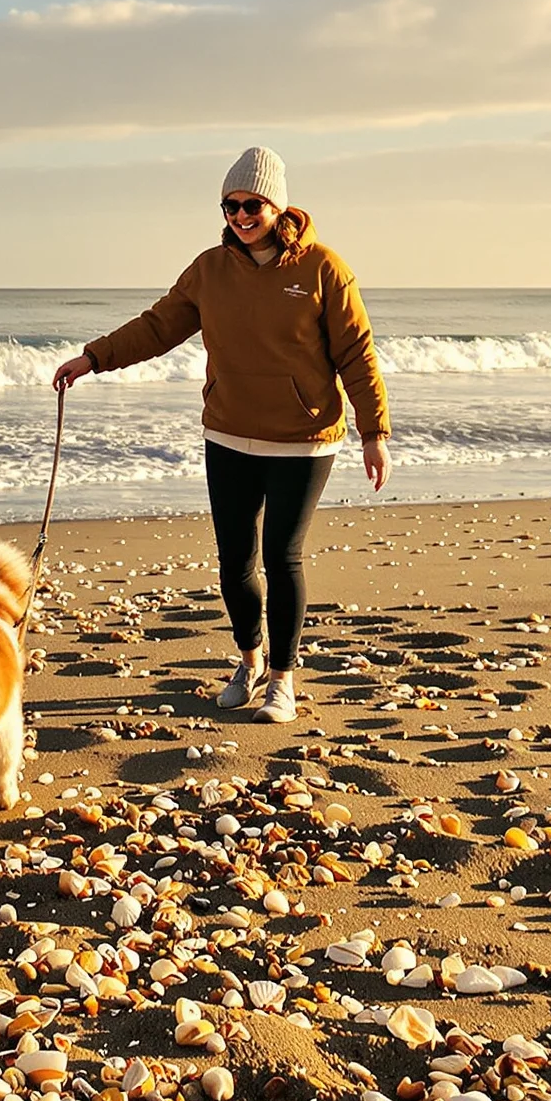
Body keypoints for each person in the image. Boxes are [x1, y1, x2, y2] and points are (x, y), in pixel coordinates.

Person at [53, 147, 390, 723]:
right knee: (235, 560)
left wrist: (372, 430)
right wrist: (93, 358)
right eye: (230, 205)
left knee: (282, 557)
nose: (239, 215)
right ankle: (250, 659)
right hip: (229, 433)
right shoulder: (210, 269)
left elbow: (357, 353)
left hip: (303, 438)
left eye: (250, 204)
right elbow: (158, 326)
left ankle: (283, 678)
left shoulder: (323, 269)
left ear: (277, 206)